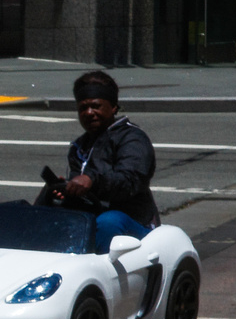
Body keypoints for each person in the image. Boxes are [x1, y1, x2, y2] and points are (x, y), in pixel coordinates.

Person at [38, 70, 159, 253]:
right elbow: (84, 195)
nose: (89, 113)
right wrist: (66, 190)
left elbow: (130, 181)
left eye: (96, 106)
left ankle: (101, 274)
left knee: (108, 222)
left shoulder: (133, 138)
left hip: (133, 222)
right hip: (92, 217)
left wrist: (91, 180)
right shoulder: (79, 146)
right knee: (42, 213)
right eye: (82, 108)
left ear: (113, 107)